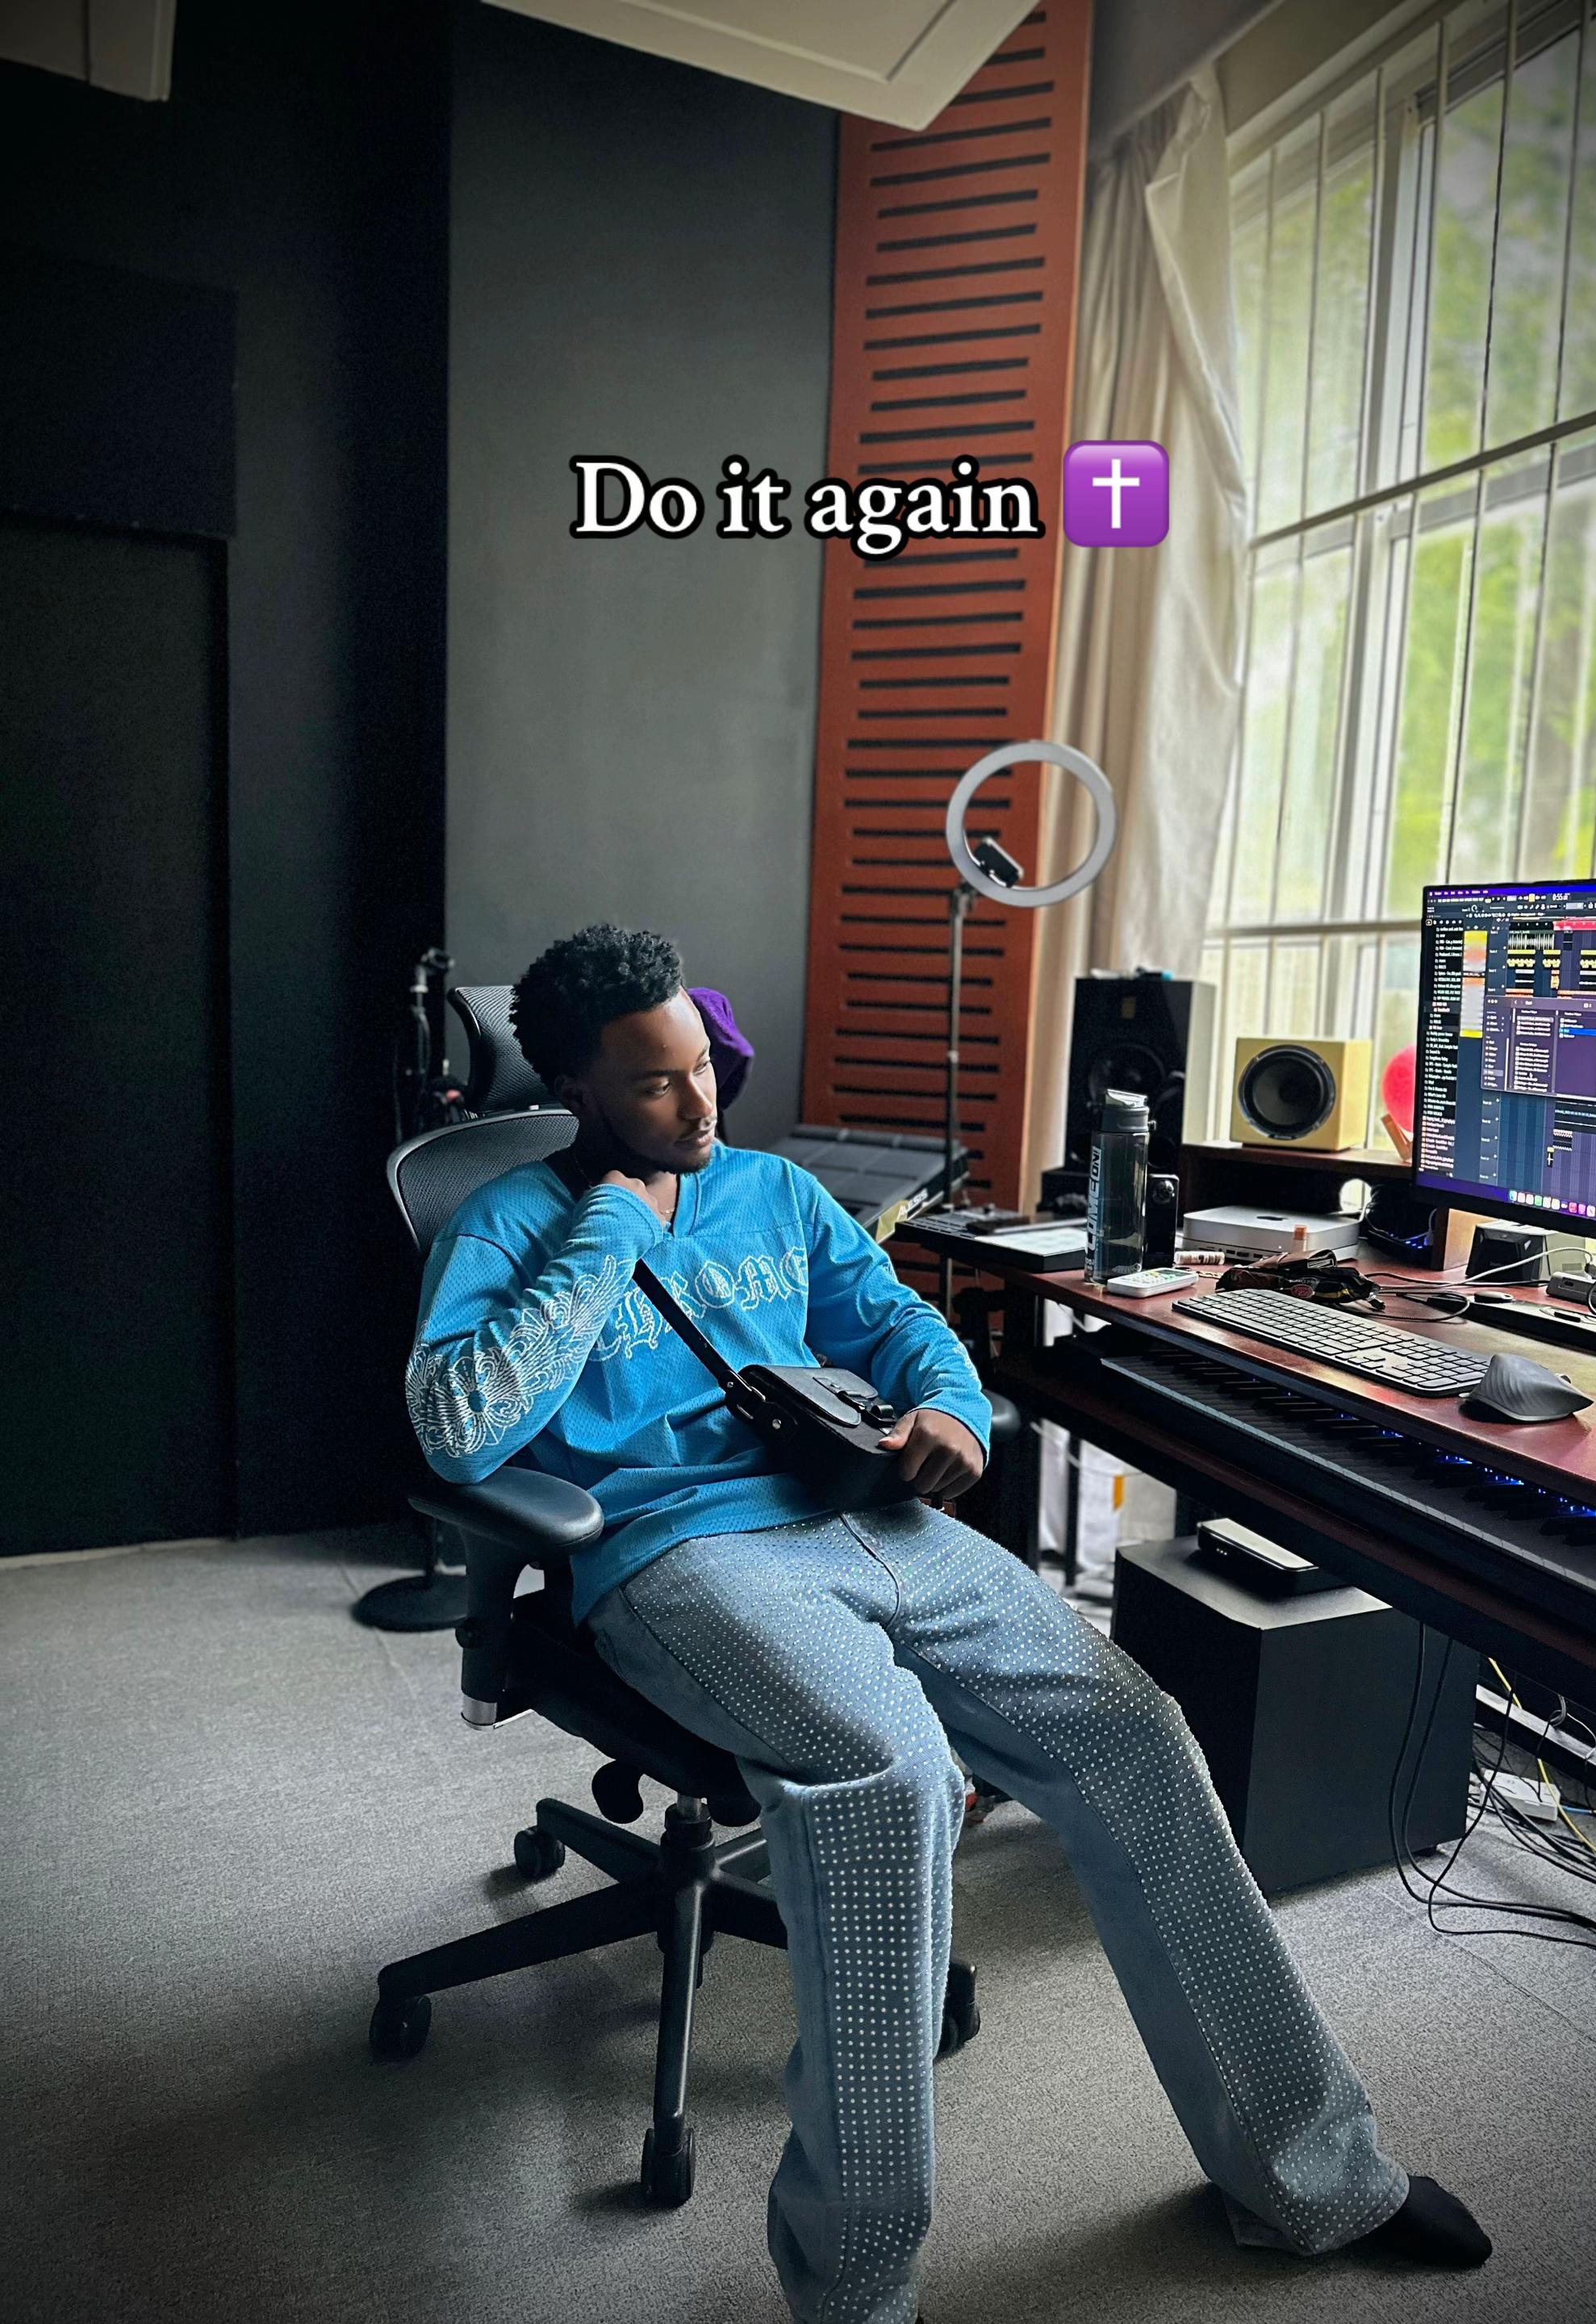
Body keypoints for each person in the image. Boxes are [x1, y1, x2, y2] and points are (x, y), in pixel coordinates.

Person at [407, 924, 1491, 2324]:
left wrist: (953, 1414)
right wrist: (606, 1234)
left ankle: (1313, 2174)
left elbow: (903, 1329)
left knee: (1134, 1731)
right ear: (577, 1089)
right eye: (656, 1085)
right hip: (678, 1554)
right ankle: (857, 2285)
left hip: (865, 1512)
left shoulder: (775, 1192)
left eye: (701, 1067)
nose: (699, 1101)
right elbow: (458, 1428)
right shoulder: (509, 1223)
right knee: (896, 1776)